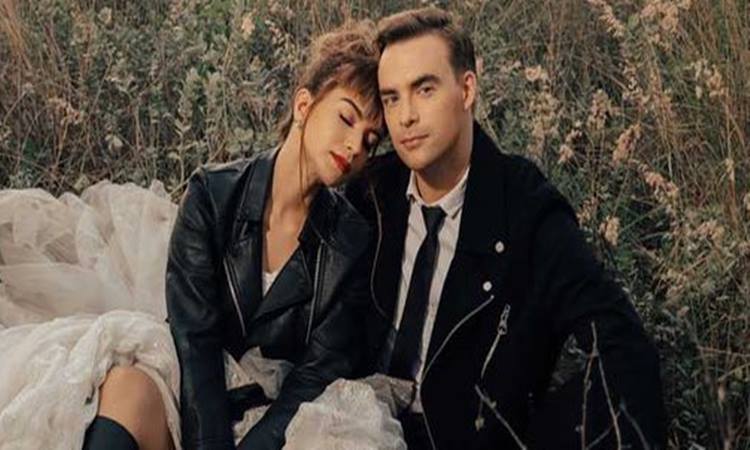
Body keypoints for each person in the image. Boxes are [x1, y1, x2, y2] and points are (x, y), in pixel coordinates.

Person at [0, 21, 392, 450]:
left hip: (275, 419)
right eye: (346, 118)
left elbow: (316, 373)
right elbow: (195, 338)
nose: (355, 145)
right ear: (304, 105)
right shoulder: (213, 194)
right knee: (127, 387)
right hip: (195, 388)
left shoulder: (351, 242)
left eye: (370, 139)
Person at [347, 7, 666, 449]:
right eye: (392, 98)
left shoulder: (526, 211)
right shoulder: (372, 194)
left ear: (467, 89)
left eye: (424, 89)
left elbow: (624, 352)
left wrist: (534, 439)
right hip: (358, 426)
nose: (406, 117)